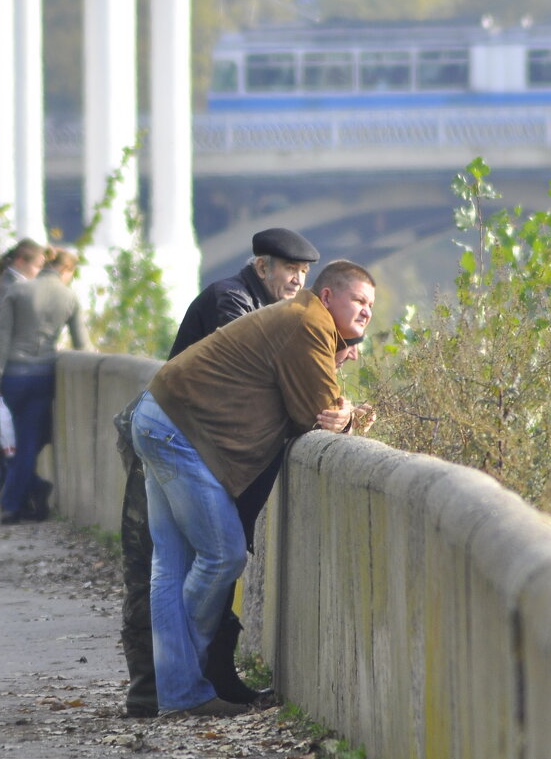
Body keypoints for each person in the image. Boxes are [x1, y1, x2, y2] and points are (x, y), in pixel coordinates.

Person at [130, 259, 376, 718]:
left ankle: (178, 694)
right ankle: (183, 677)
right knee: (223, 554)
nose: (366, 313)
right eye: (358, 300)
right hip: (178, 431)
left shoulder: (301, 319)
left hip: (158, 414)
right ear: (328, 297)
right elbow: (316, 414)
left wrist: (337, 385)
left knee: (171, 567)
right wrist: (349, 412)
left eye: (370, 306)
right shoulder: (309, 323)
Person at [115, 227, 321, 718]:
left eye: (303, 272)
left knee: (170, 567)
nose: (295, 280)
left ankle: (175, 690)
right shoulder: (232, 302)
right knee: (198, 561)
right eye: (287, 269)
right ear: (260, 266)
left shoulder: (261, 305)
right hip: (179, 441)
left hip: (174, 436)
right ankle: (166, 686)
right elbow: (262, 377)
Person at [0, 247, 90, 524]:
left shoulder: (18, 292)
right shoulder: (69, 296)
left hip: (12, 375)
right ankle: (19, 500)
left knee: (8, 441)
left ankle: (17, 501)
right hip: (43, 375)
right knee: (29, 442)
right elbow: (82, 345)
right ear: (66, 270)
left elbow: (1, 338)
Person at [0, 238, 46, 314]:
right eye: (38, 266)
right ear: (20, 262)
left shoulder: (10, 283)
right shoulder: (12, 287)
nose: (40, 271)